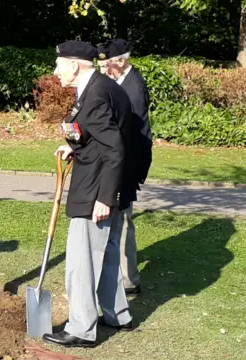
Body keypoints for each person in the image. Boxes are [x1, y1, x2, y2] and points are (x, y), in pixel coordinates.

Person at [42, 41, 136, 348]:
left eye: (59, 65)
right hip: (109, 182)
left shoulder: (95, 93)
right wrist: (75, 147)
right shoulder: (101, 86)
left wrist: (104, 199)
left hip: (97, 189)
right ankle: (118, 315)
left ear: (75, 64)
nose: (55, 72)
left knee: (81, 262)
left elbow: (114, 149)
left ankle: (81, 329)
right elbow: (103, 136)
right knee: (108, 255)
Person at [98, 38, 153, 296]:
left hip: (128, 163)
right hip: (122, 161)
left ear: (122, 61)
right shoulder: (121, 82)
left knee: (123, 220)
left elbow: (136, 133)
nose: (105, 69)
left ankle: (129, 280)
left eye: (107, 64)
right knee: (119, 220)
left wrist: (129, 172)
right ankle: (120, 274)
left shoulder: (133, 87)